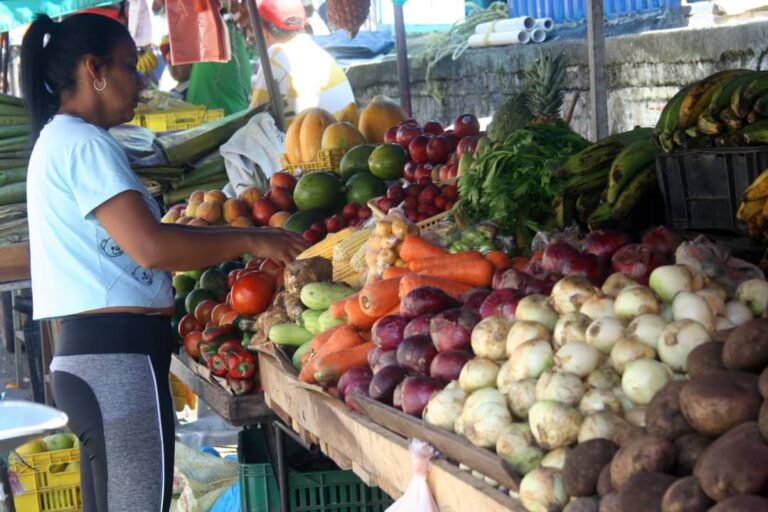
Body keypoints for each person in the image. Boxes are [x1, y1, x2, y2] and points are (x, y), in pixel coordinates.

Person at [20, 13, 306, 512]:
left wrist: (230, 239)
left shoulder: (60, 140)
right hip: (117, 362)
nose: (140, 83)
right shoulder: (84, 144)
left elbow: (142, 243)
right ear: (94, 69)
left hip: (94, 357)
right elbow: (150, 248)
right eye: (129, 67)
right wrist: (251, 239)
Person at [249, 0, 355, 121]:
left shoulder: (276, 54)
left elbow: (255, 120)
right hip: (345, 131)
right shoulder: (319, 52)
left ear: (264, 32)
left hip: (318, 132)